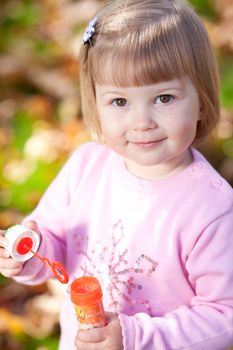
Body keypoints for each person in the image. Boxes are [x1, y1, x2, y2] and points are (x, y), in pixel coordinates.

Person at [0, 0, 233, 349]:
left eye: (164, 98)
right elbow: (54, 242)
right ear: (95, 103)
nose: (142, 122)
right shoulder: (87, 166)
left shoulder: (211, 208)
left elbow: (224, 315)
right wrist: (29, 253)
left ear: (201, 100)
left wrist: (134, 336)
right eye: (120, 102)